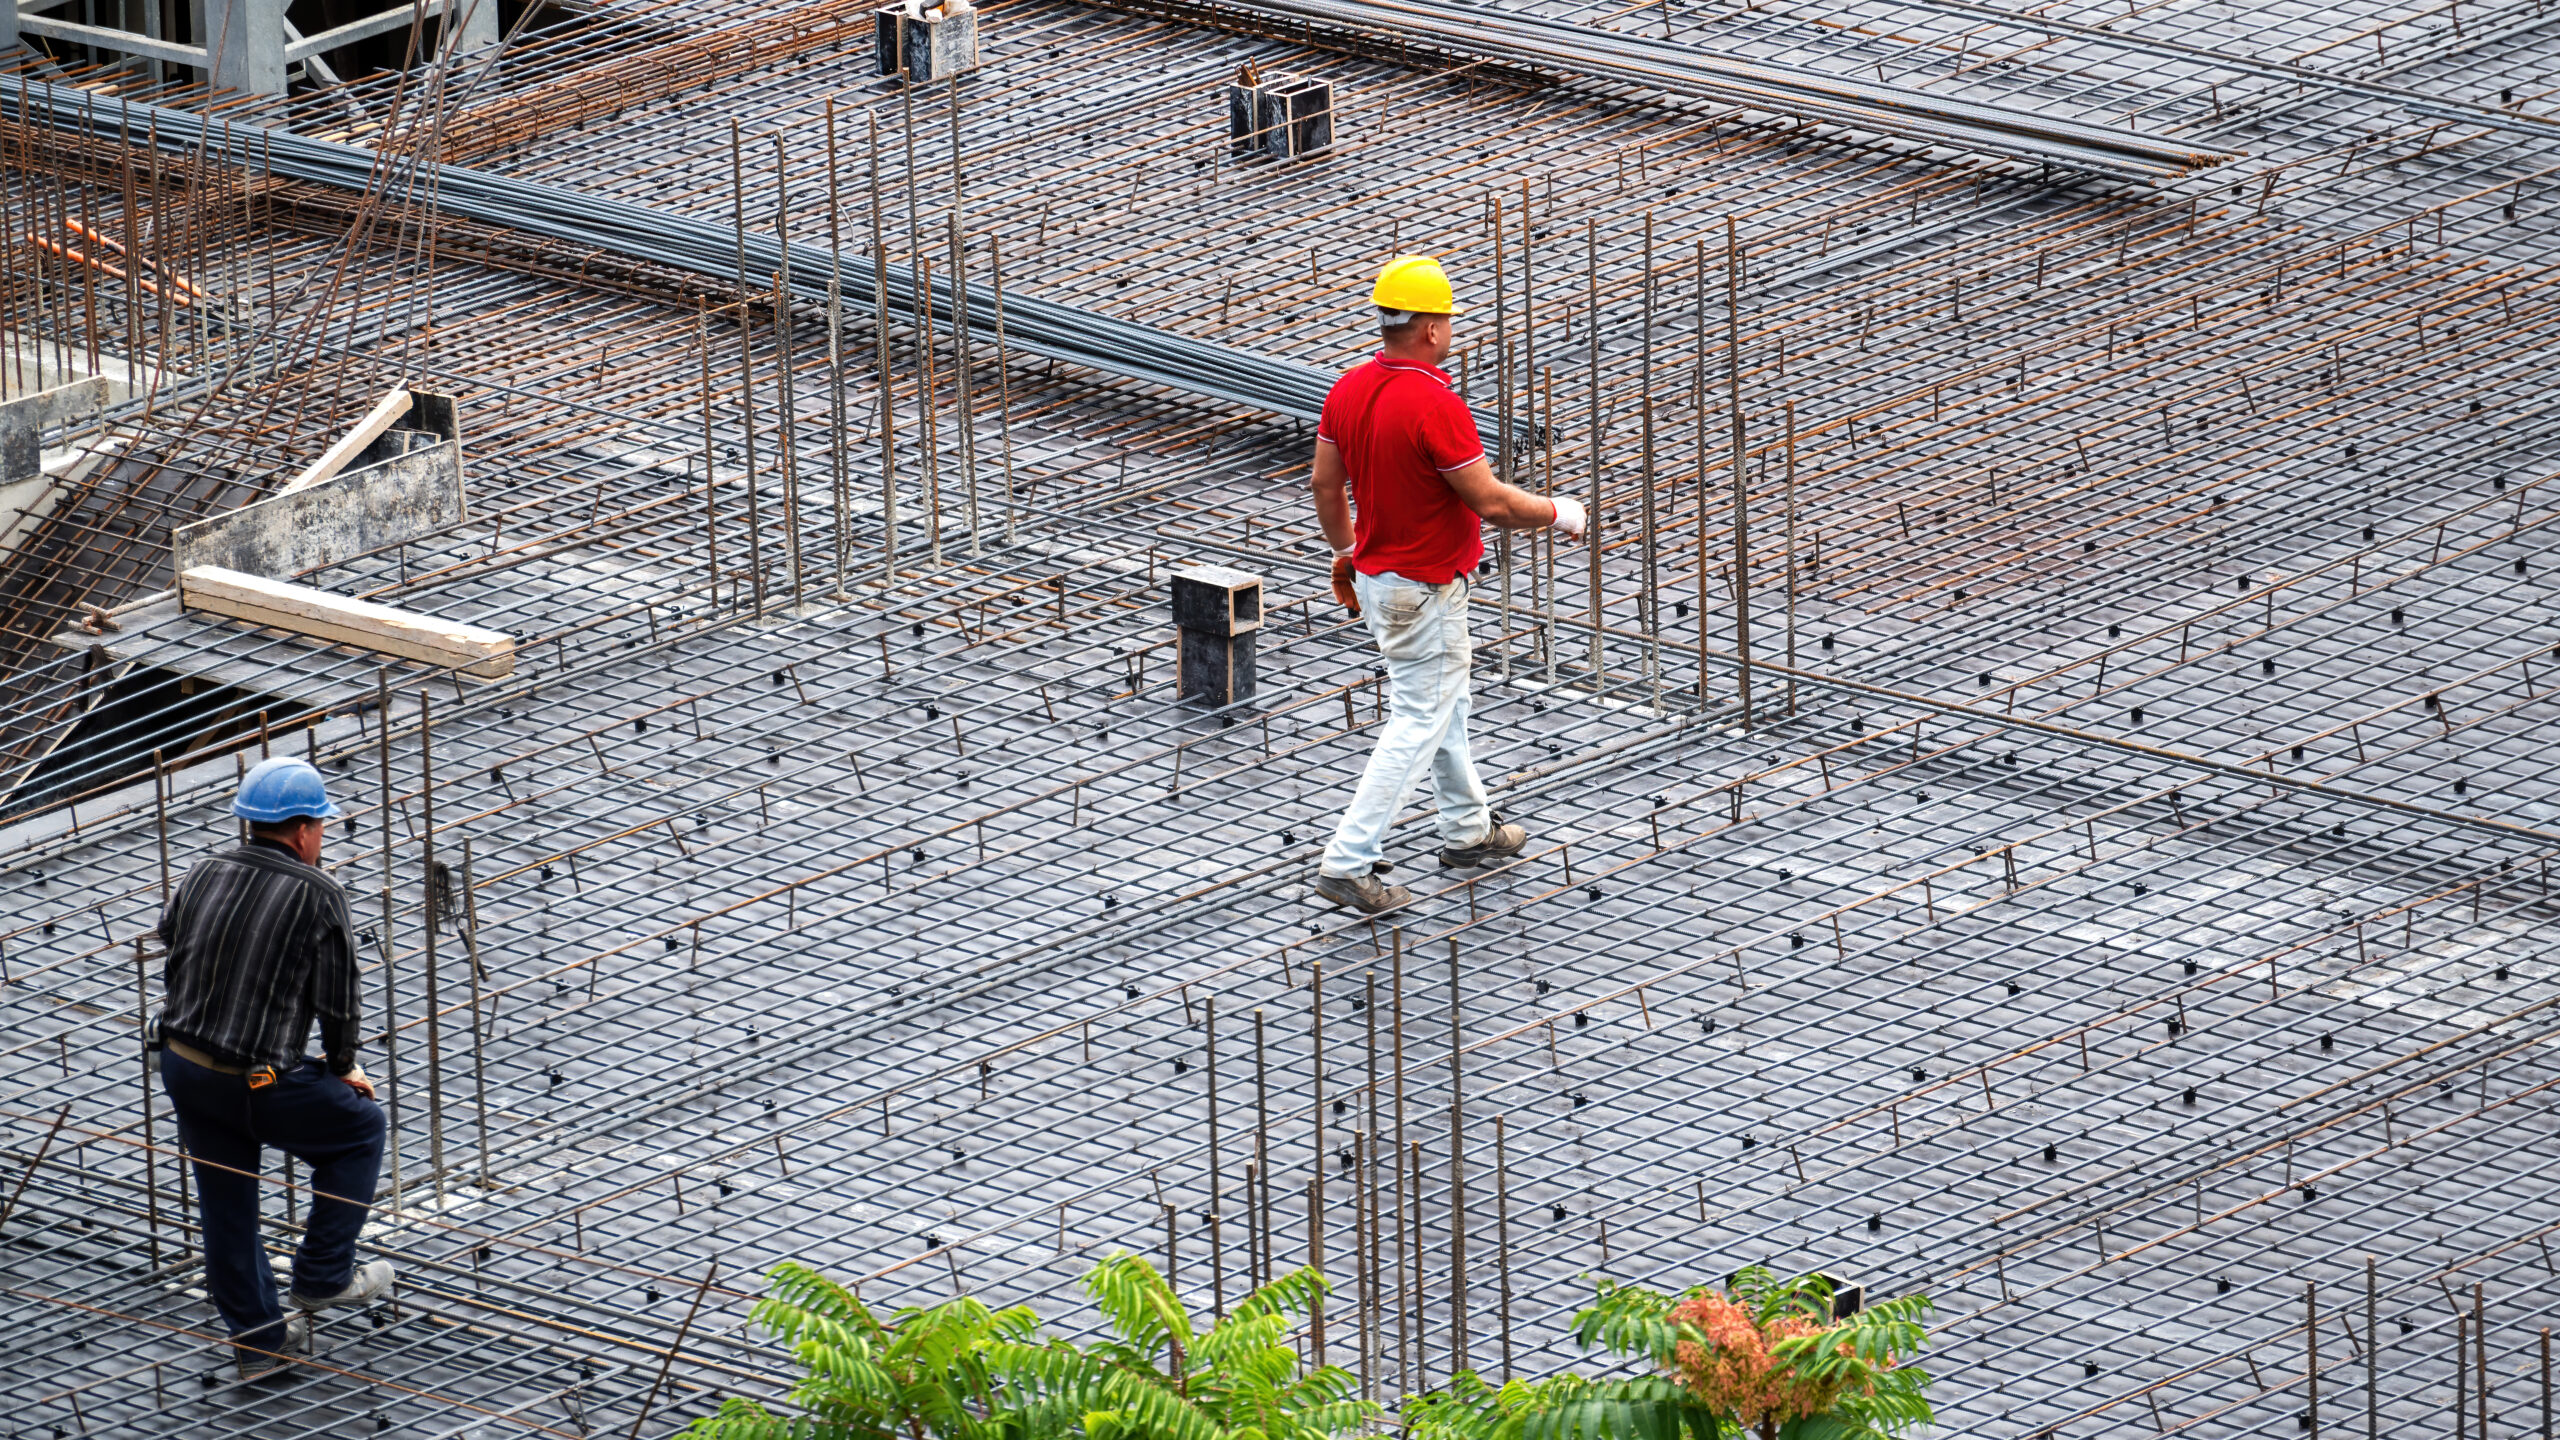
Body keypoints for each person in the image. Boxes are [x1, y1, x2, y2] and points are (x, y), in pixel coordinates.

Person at [1308, 255, 1587, 914]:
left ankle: (1467, 830)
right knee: (1419, 717)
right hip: (1424, 590)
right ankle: (1348, 862)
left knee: (1442, 703)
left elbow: (1324, 484)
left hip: (1380, 581)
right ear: (1431, 328)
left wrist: (1348, 551)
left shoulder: (1347, 388)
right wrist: (1558, 511)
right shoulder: (1436, 403)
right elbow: (1489, 501)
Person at [158, 756, 393, 1381]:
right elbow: (338, 1002)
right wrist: (342, 1066)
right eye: (321, 826)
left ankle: (259, 1344)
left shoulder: (205, 869)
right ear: (302, 830)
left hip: (183, 1065)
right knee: (360, 1129)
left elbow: (171, 943)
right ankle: (322, 1276)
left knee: (226, 1199)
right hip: (258, 1081)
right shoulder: (319, 893)